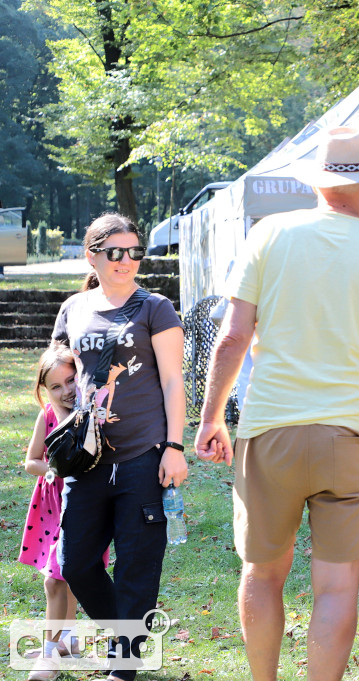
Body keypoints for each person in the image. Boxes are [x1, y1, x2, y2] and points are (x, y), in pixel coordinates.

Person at [194, 127, 359, 681]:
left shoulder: (269, 234)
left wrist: (210, 419)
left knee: (263, 572)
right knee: (337, 585)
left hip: (270, 428)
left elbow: (231, 338)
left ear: (318, 185)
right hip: (353, 434)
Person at [51, 213, 187, 681]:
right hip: (86, 460)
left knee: (136, 564)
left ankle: (123, 665)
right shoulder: (73, 308)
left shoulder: (156, 308)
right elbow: (59, 380)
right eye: (115, 253)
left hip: (142, 456)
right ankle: (126, 638)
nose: (126, 260)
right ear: (92, 254)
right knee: (77, 563)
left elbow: (172, 381)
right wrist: (52, 440)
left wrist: (174, 446)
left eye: (134, 252)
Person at [20, 344, 105, 680]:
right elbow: (31, 462)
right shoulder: (49, 416)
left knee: (62, 579)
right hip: (53, 506)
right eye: (56, 386)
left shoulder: (90, 411)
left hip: (83, 505)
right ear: (45, 390)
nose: (66, 390)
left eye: (71, 381)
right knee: (56, 580)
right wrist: (54, 470)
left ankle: (51, 655)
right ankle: (61, 644)